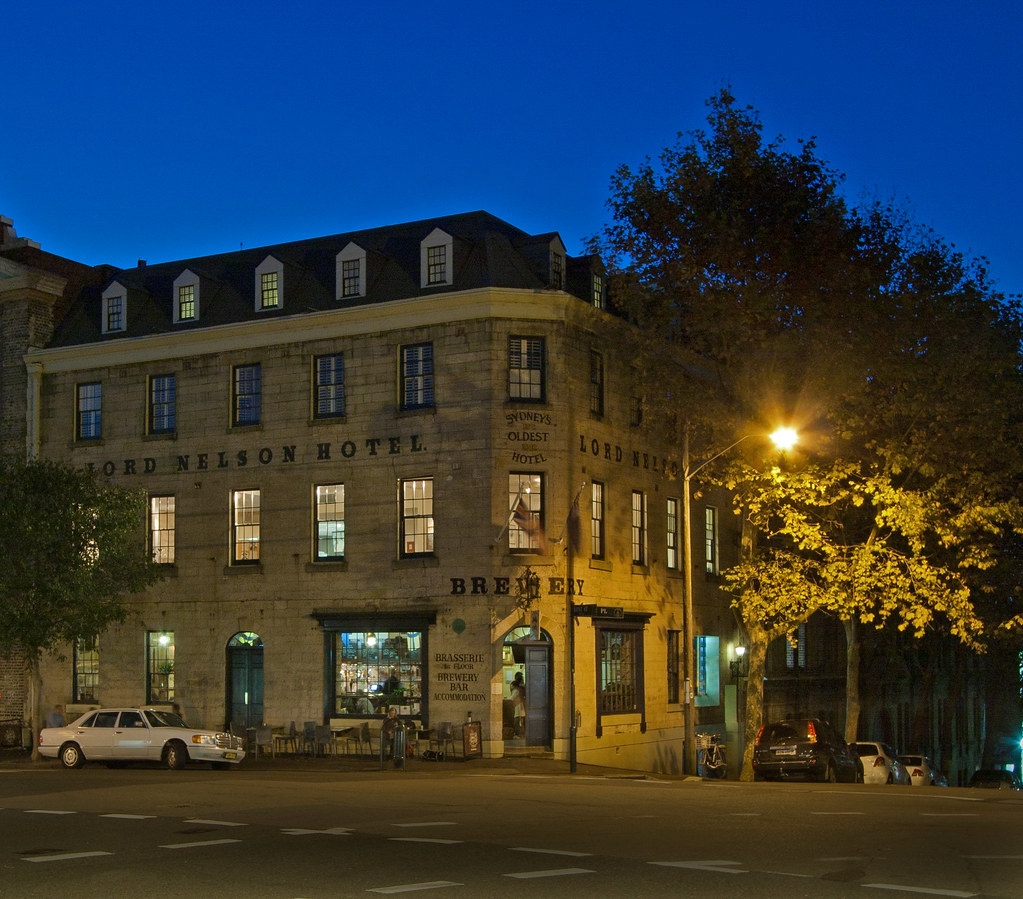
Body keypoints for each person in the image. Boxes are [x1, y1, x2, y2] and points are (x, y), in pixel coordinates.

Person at [510, 672, 526, 737]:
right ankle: (522, 733)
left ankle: (518, 733)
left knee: (517, 719)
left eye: (511, 685)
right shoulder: (521, 687)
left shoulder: (516, 690)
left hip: (517, 706)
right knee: (521, 719)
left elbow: (511, 698)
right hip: (522, 705)